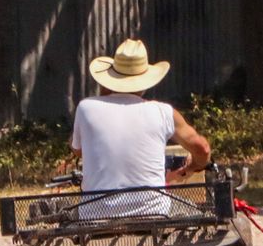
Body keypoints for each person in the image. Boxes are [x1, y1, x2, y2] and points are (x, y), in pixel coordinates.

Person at [70, 39, 210, 214]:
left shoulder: (86, 108)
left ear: (108, 80)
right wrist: (191, 167)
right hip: (154, 214)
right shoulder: (163, 112)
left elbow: (78, 150)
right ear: (146, 82)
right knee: (193, 209)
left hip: (95, 215)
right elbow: (203, 149)